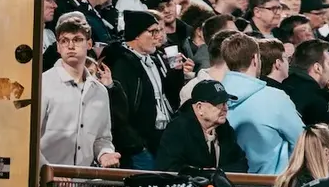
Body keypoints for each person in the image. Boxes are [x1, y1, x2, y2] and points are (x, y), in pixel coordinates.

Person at [103, 10, 185, 169]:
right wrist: (136, 145)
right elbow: (118, 111)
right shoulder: (122, 64)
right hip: (140, 145)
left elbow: (170, 96)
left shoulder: (155, 59)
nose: (158, 37)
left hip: (161, 139)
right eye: (153, 32)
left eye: (159, 31)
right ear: (136, 35)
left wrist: (175, 72)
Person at [39, 14, 119, 169]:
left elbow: (102, 138)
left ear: (89, 44)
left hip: (84, 179)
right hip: (46, 179)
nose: (70, 46)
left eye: (77, 40)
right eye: (64, 41)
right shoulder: (44, 84)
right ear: (58, 47)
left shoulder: (100, 91)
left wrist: (105, 154)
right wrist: (47, 171)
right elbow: (28, 137)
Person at [220, 34, 303, 175]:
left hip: (227, 183)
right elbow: (302, 142)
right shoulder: (276, 98)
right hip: (272, 184)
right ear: (255, 59)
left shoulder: (214, 98)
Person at [156, 79, 244, 173]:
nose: (225, 108)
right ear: (200, 107)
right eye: (219, 104)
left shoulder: (224, 128)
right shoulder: (177, 130)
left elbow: (241, 163)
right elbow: (170, 168)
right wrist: (204, 174)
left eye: (226, 103)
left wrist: (218, 173)